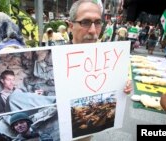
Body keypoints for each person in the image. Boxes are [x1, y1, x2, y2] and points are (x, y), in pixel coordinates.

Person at [68, 0, 132, 140]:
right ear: (71, 25)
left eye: (97, 22)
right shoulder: (53, 56)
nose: (92, 30)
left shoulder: (110, 57)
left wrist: (123, 85)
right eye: (85, 22)